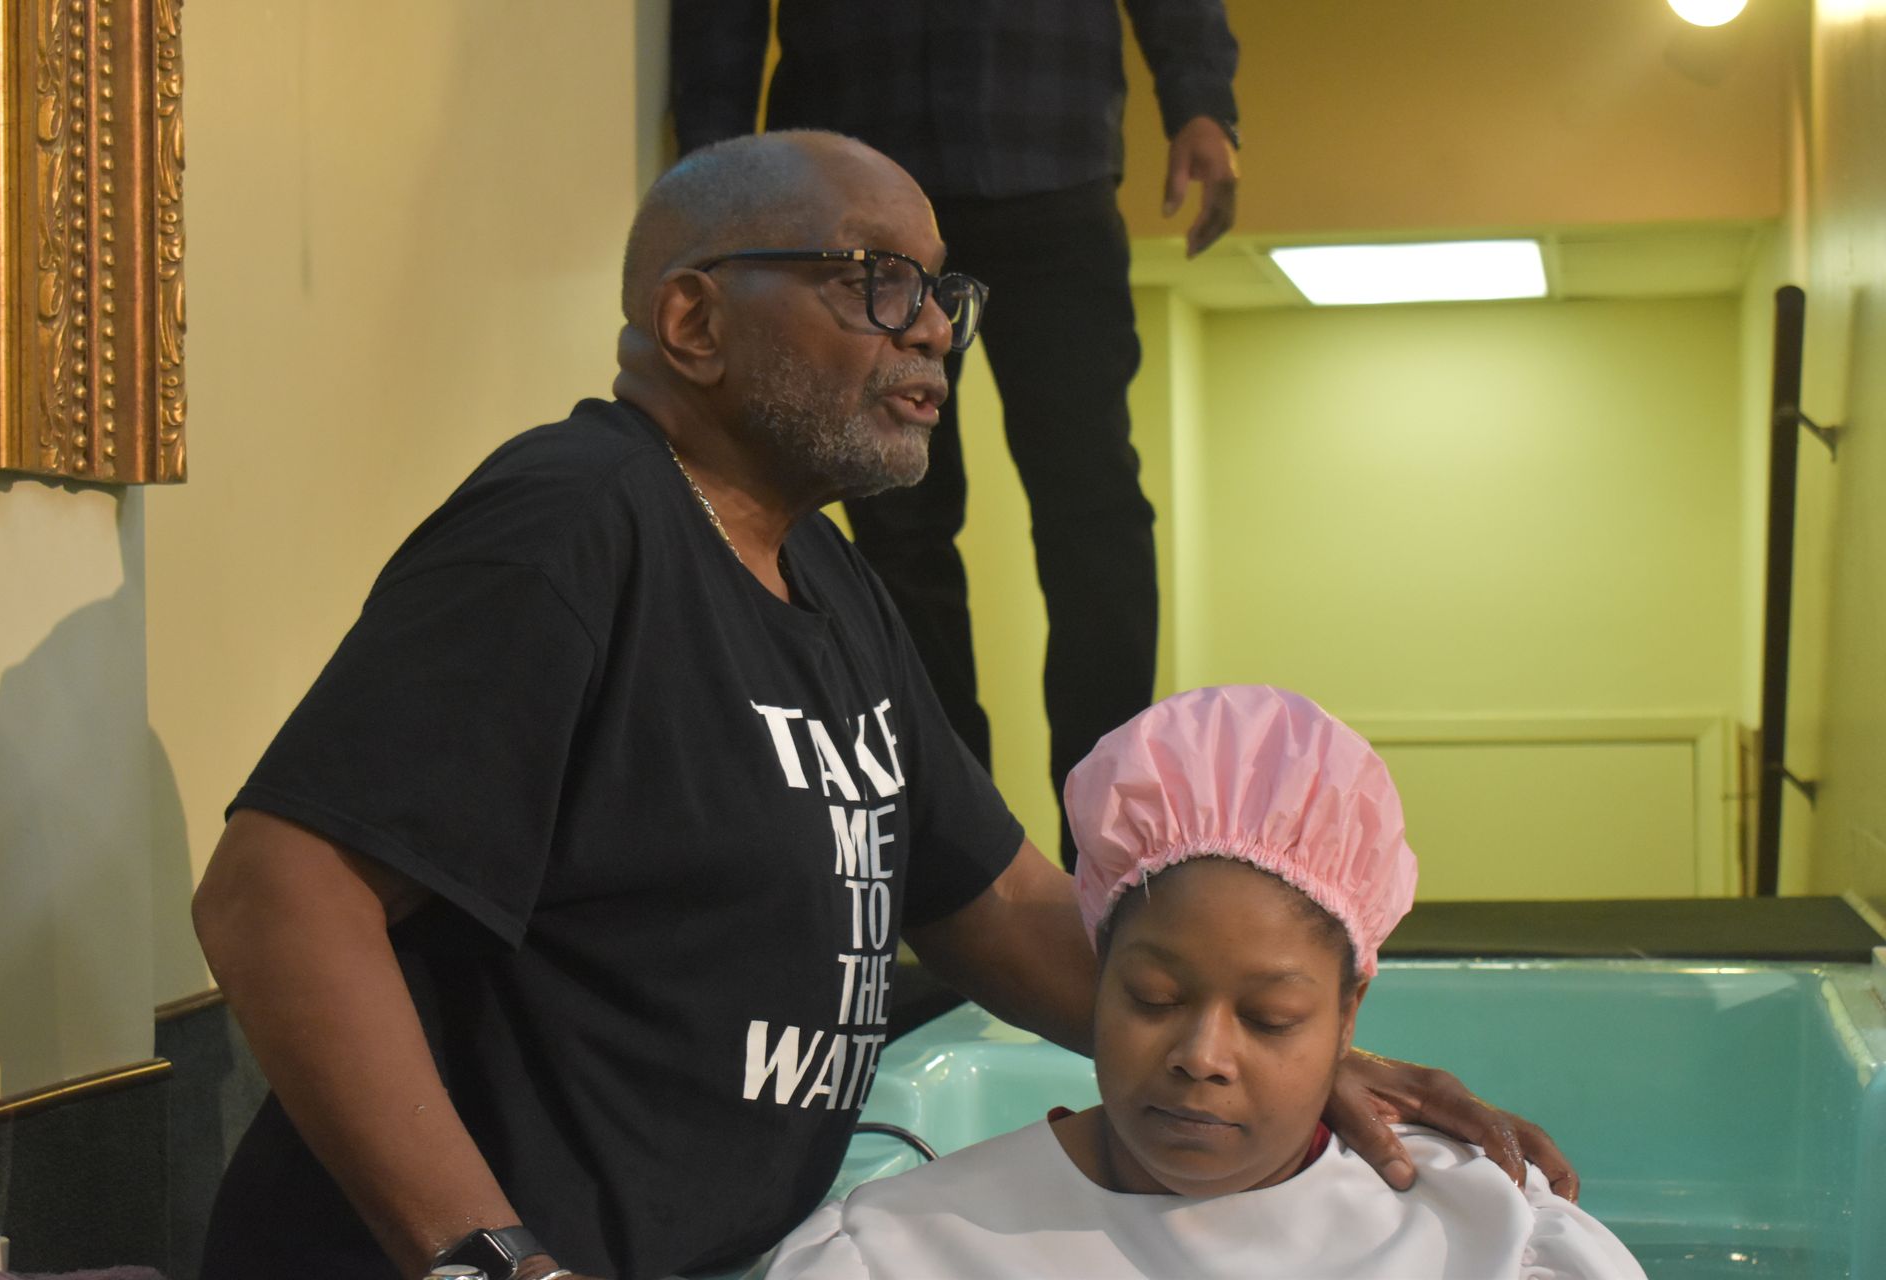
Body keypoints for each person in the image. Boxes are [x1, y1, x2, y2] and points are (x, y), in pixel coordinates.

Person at [191, 134, 1570, 1280]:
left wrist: (1292, 1049)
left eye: (941, 291)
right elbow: (277, 893)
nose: (931, 327)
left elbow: (1003, 903)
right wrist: (489, 1264)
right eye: (874, 280)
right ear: (693, 322)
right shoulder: (573, 522)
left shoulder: (829, 585)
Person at [764, 685, 1645, 1279]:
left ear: (1347, 1021)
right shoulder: (904, 1251)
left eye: (1271, 1017)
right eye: (1154, 998)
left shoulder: (1491, 1240)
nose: (1203, 1055)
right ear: (1099, 976)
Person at [673, 2, 1243, 867]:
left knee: (1093, 511)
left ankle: (1114, 851)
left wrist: (1200, 99)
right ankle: (953, 851)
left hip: (1049, 159)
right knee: (894, 516)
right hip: (854, 182)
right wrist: (714, 169)